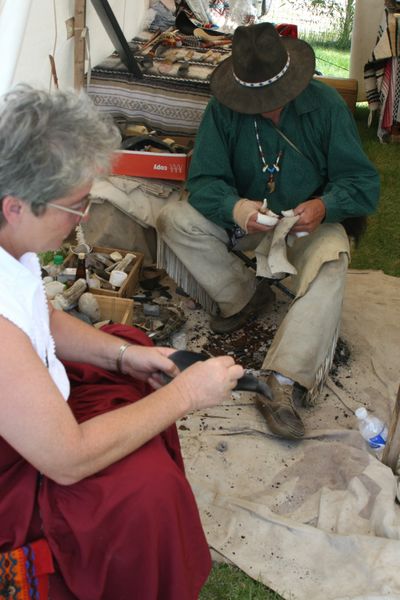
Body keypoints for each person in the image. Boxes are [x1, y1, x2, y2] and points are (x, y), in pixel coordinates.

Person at [0, 84, 244, 600]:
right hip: (22, 469)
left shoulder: (11, 242)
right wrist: (184, 396)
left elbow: (40, 318)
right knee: (145, 494)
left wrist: (126, 355)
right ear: (16, 206)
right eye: (75, 206)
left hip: (31, 407)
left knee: (126, 340)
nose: (81, 220)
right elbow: (65, 459)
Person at [156, 22, 380, 440]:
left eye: (273, 98)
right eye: (255, 99)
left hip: (305, 225)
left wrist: (325, 205)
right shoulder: (223, 109)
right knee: (174, 219)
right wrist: (236, 208)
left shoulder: (326, 106)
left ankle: (283, 380)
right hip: (247, 224)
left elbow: (363, 184)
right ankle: (244, 295)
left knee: (333, 261)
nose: (266, 106)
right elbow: (204, 181)